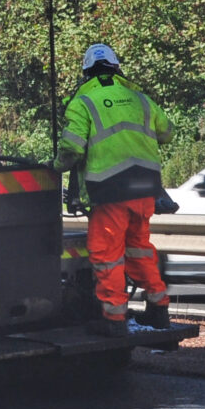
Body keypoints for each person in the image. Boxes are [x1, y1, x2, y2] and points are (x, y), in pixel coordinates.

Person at [56, 43, 172, 335]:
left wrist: (55, 166)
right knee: (140, 250)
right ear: (116, 68)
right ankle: (159, 310)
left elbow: (71, 149)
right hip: (145, 188)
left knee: (107, 254)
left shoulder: (84, 101)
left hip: (110, 192)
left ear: (86, 72)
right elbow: (167, 134)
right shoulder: (140, 99)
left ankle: (114, 320)